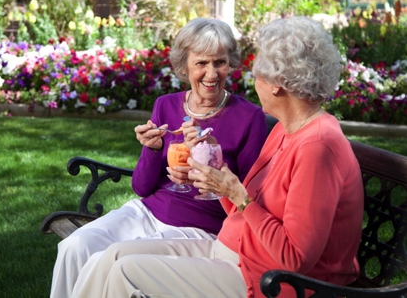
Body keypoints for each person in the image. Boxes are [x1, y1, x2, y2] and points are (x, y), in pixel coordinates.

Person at [72, 16, 365, 298]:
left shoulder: (317, 147)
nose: (253, 81)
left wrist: (240, 197)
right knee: (112, 257)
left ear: (278, 83)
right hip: (234, 252)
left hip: (265, 279)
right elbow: (239, 201)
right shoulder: (287, 130)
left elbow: (294, 258)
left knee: (125, 271)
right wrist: (213, 165)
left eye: (258, 73)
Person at [50, 17, 268, 298]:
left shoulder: (248, 117)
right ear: (184, 65)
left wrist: (208, 169)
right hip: (147, 212)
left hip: (198, 228)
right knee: (74, 247)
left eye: (220, 62)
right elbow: (141, 188)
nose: (212, 73)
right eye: (201, 63)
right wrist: (153, 151)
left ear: (231, 63)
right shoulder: (165, 106)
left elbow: (249, 197)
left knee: (113, 260)